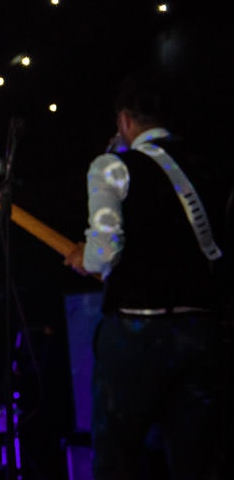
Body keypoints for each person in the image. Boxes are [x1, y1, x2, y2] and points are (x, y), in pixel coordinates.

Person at [64, 71, 229, 480]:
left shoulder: (114, 167)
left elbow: (105, 251)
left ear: (124, 121)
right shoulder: (211, 165)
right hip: (204, 331)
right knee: (200, 460)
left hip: (137, 335)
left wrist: (87, 257)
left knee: (119, 458)